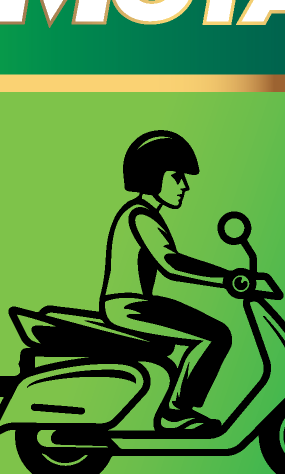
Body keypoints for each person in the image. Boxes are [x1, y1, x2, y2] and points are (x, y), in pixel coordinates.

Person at [103, 131, 254, 432]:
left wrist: (231, 278)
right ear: (152, 176)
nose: (184, 185)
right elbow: (171, 264)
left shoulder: (145, 214)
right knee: (215, 336)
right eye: (176, 176)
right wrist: (226, 278)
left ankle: (176, 408)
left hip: (138, 304)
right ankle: (175, 413)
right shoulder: (140, 216)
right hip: (129, 306)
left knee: (212, 332)